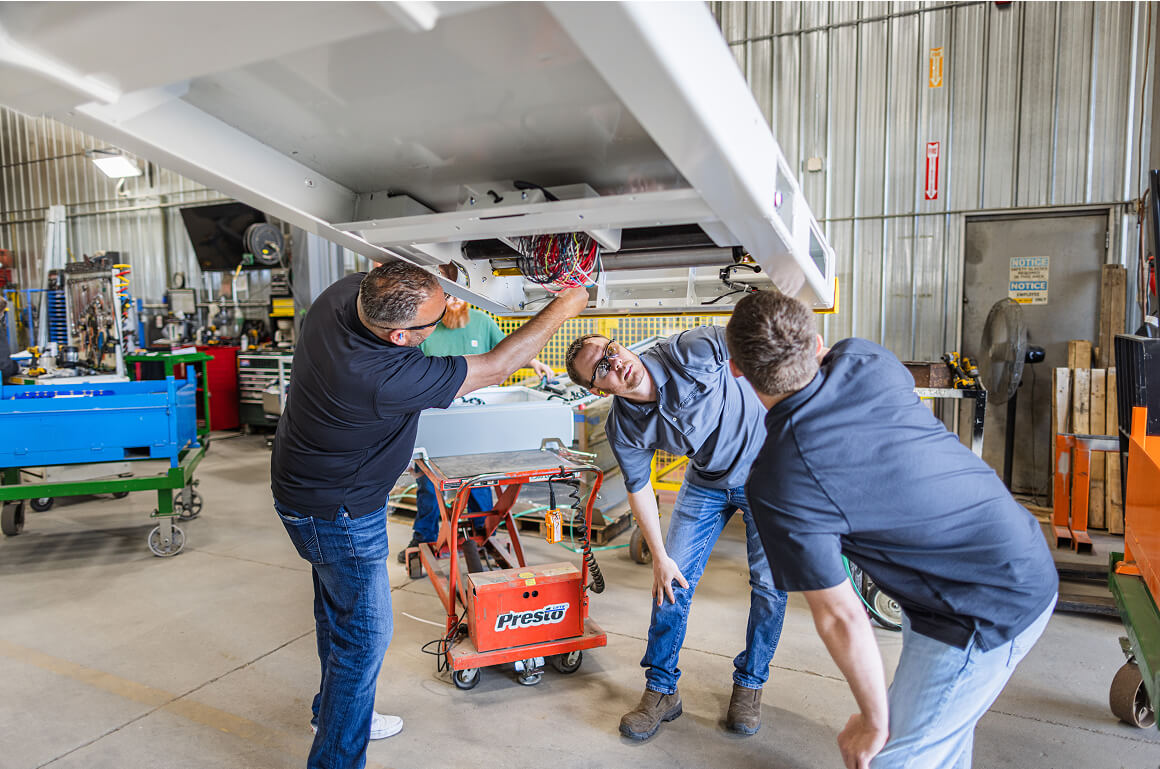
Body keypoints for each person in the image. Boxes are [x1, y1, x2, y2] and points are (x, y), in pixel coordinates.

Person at [270, 261, 587, 769]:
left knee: (337, 611)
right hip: (342, 515)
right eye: (435, 322)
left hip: (299, 489)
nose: (445, 322)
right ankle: (335, 757)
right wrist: (566, 305)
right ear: (400, 335)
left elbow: (412, 284)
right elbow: (498, 366)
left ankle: (337, 712)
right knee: (366, 635)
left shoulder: (341, 297)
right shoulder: (381, 373)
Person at [725, 290, 1058, 769]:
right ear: (818, 342)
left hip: (984, 603)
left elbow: (841, 617)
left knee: (893, 760)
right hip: (996, 554)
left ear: (737, 369)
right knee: (939, 741)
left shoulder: (780, 480)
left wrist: (873, 721)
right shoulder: (866, 358)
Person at [564, 327, 788, 740]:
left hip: (769, 475)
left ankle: (750, 684)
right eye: (601, 368)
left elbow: (754, 337)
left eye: (610, 351)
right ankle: (662, 689)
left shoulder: (689, 351)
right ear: (598, 389)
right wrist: (661, 557)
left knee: (771, 586)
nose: (615, 363)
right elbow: (639, 488)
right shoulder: (624, 426)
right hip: (706, 482)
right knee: (671, 582)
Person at [397, 293, 554, 561]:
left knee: (479, 480)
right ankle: (423, 538)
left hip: (478, 421)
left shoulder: (482, 322)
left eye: (461, 294)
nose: (456, 299)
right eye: (449, 295)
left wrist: (534, 362)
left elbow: (507, 350)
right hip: (438, 420)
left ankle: (482, 536)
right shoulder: (426, 328)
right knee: (429, 483)